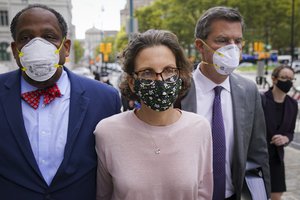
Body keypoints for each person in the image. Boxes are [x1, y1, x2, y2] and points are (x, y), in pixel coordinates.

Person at [0, 4, 121, 200]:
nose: (37, 46)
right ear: (15, 50)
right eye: (26, 38)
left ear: (66, 48)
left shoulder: (105, 99)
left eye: (49, 37)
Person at [94, 29, 213, 200]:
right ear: (132, 82)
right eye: (147, 72)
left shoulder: (199, 128)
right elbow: (103, 195)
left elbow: (204, 193)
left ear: (179, 75)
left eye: (168, 70)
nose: (160, 80)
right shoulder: (107, 131)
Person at [175, 6, 270, 199]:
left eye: (238, 41)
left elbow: (257, 153)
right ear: (200, 46)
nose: (232, 47)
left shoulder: (249, 91)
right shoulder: (177, 90)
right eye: (223, 40)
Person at [261, 65, 298, 200]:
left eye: (291, 79)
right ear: (274, 79)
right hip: (259, 157)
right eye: (284, 77)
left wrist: (285, 139)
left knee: (277, 195)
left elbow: (290, 132)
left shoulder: (292, 104)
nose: (287, 81)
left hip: (277, 157)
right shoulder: (261, 100)